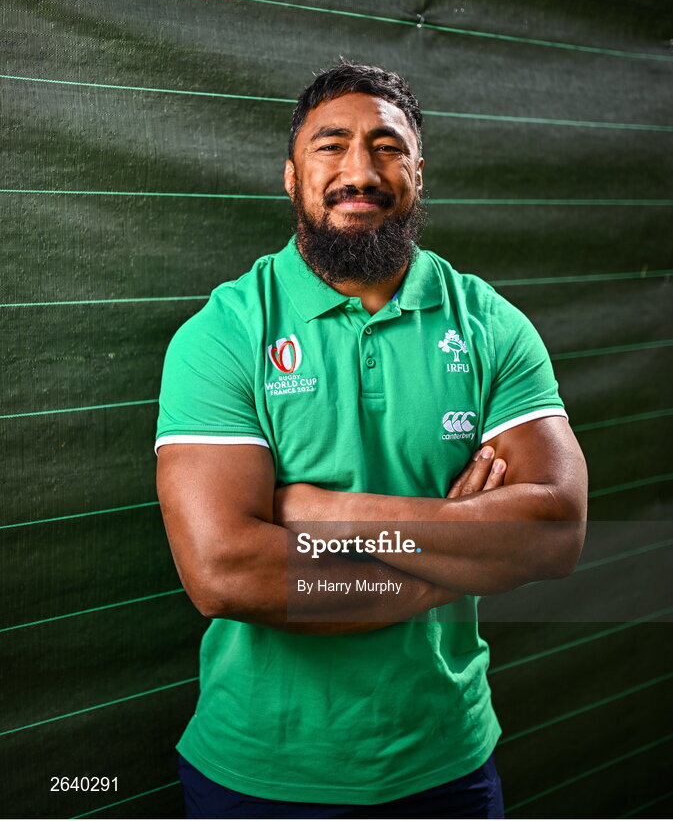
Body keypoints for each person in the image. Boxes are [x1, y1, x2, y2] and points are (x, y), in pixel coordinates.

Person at [155, 60, 588, 819]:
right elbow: (226, 573)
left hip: (447, 761)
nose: (360, 170)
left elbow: (554, 531)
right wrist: (461, 557)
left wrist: (327, 515)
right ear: (290, 176)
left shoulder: (487, 321)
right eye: (331, 146)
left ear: (418, 173)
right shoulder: (223, 333)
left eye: (387, 147)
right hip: (260, 774)